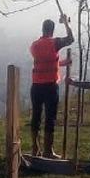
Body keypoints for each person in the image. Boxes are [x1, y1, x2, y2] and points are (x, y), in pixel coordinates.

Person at [29, 14, 75, 157]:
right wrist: (66, 23)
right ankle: (48, 151)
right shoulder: (53, 43)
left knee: (36, 117)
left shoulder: (34, 45)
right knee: (50, 118)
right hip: (50, 86)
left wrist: (62, 63)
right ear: (52, 30)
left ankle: (35, 149)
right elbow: (70, 39)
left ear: (42, 29)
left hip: (36, 85)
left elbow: (46, 60)